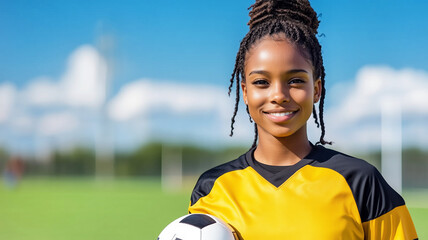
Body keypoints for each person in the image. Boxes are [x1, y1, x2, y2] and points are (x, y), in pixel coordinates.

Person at [188, 0, 418, 239]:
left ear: (317, 89)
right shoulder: (212, 187)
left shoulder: (360, 182)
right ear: (245, 92)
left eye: (295, 80)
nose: (278, 95)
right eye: (261, 82)